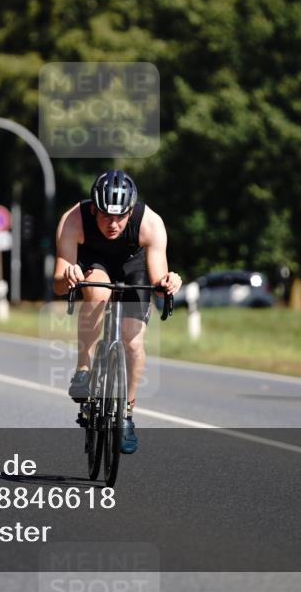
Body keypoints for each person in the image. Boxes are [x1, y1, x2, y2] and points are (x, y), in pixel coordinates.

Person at [53, 169, 182, 455]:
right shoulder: (73, 219)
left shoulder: (150, 223)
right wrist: (70, 276)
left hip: (133, 267)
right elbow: (59, 286)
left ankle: (126, 414)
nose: (113, 224)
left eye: (120, 216)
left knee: (133, 341)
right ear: (93, 208)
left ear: (131, 210)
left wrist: (168, 283)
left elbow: (158, 281)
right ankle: (83, 370)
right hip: (94, 263)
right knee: (98, 292)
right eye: (105, 216)